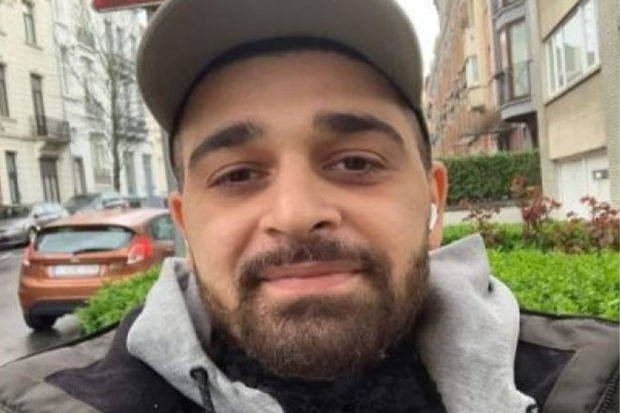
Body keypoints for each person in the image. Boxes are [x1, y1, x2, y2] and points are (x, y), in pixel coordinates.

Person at [0, 0, 617, 412]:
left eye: (355, 163)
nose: (295, 213)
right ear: (186, 224)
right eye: (238, 174)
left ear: (433, 201)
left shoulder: (599, 385)